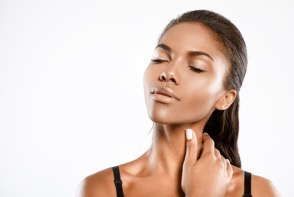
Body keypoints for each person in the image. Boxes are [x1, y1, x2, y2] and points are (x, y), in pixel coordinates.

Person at [76, 10, 280, 197]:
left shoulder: (258, 191)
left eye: (196, 67)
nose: (168, 73)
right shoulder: (101, 189)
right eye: (160, 58)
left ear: (225, 98)